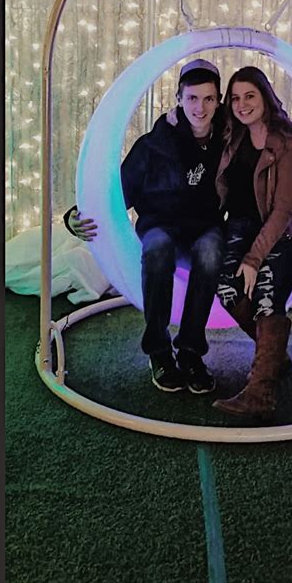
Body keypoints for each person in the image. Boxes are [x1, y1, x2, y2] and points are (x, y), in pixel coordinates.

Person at [64, 59, 225, 395]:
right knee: (157, 250)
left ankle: (191, 351)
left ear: (218, 101)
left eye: (209, 98)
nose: (200, 107)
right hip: (160, 224)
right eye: (192, 98)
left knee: (211, 252)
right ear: (178, 99)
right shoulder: (154, 144)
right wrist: (74, 216)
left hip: (204, 227)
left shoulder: (228, 141)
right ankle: (159, 352)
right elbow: (117, 194)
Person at [212, 65, 292, 421]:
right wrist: (172, 119)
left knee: (266, 297)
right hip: (242, 226)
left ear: (266, 97)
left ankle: (261, 393)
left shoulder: (290, 146)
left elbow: (282, 212)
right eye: (235, 98)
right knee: (227, 289)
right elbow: (192, 118)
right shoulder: (231, 133)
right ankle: (276, 356)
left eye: (250, 96)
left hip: (285, 234)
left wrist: (254, 259)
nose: (242, 104)